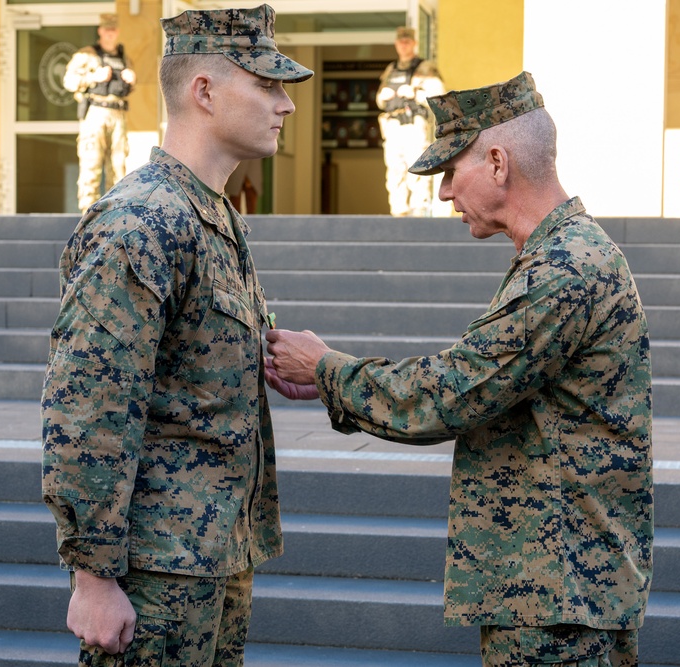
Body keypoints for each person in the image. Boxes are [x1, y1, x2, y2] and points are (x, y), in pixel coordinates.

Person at [265, 72, 653, 667]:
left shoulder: (565, 269)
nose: (444, 192)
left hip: (556, 600)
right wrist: (327, 378)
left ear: (498, 162)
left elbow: (446, 395)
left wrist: (325, 367)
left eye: (452, 170)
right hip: (558, 588)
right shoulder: (563, 255)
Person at [41, 4, 312, 665]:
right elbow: (88, 408)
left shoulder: (213, 216)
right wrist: (95, 576)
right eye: (268, 85)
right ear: (204, 92)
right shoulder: (139, 224)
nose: (287, 105)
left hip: (213, 557)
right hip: (155, 574)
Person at [63, 13, 137, 212]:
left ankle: (115, 215)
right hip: (96, 113)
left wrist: (132, 79)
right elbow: (68, 82)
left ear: (118, 31)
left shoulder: (123, 57)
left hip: (118, 115)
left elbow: (126, 88)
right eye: (107, 29)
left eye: (113, 29)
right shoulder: (87, 55)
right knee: (91, 167)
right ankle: (87, 217)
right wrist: (93, 77)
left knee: (119, 168)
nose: (110, 33)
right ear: (100, 31)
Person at [376, 26, 445, 217]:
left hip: (414, 125)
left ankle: (418, 212)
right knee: (395, 171)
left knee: (416, 169)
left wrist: (415, 93)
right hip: (393, 125)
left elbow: (438, 96)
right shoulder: (392, 69)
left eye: (407, 41)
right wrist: (384, 95)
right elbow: (379, 100)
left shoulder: (425, 68)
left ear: (414, 43)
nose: (403, 46)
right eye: (400, 42)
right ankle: (398, 213)